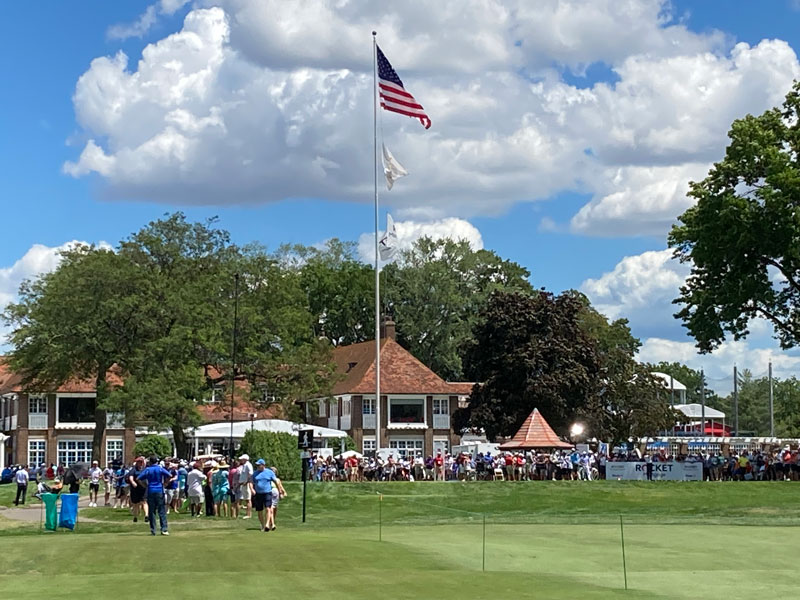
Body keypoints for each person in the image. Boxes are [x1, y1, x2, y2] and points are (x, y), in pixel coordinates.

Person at [137, 456, 174, 536]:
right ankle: (164, 529)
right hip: (159, 490)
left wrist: (144, 485)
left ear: (150, 462)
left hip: (150, 490)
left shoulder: (148, 469)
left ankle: (153, 530)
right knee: (161, 510)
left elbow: (138, 478)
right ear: (156, 461)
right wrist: (165, 484)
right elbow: (170, 475)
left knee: (152, 511)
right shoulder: (160, 469)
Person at [250, 459, 278, 532]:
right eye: (257, 465)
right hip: (258, 493)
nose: (258, 466)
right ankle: (262, 524)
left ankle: (267, 524)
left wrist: (280, 489)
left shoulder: (269, 472)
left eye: (259, 465)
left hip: (267, 492)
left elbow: (276, 481)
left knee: (268, 508)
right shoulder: (255, 473)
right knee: (259, 510)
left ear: (263, 465)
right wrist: (252, 489)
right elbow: (251, 482)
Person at [128, 457, 149, 523]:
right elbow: (130, 477)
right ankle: (135, 516)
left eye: (141, 462)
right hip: (135, 489)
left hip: (143, 488)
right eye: (138, 462)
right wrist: (133, 482)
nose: (140, 463)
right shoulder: (133, 470)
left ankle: (146, 516)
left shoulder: (145, 469)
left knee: (144, 502)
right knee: (135, 504)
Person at [238, 454, 253, 519]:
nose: (241, 460)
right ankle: (247, 513)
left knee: (248, 500)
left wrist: (246, 482)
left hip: (246, 484)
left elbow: (250, 474)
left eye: (242, 459)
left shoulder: (248, 465)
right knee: (246, 499)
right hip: (243, 484)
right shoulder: (244, 465)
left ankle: (249, 514)